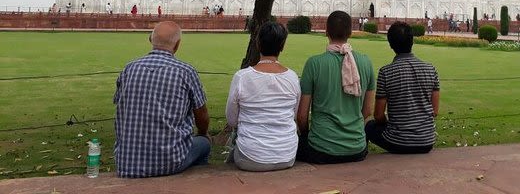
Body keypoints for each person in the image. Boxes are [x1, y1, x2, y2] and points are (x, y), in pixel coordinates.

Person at [113, 21, 210, 178]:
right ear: (177, 45)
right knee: (204, 143)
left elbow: (121, 106)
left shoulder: (129, 69)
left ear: (150, 40)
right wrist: (202, 133)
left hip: (126, 163)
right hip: (170, 162)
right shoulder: (185, 72)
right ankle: (193, 184)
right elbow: (202, 115)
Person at [296, 11, 375, 164]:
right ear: (351, 33)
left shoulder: (314, 64)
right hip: (357, 149)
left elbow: (302, 117)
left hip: (321, 149)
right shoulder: (366, 62)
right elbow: (367, 112)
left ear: (326, 31)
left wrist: (305, 135)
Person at [225, 22, 300, 171]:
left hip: (251, 157)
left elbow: (232, 120)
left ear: (258, 43)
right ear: (282, 46)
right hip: (287, 155)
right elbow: (293, 115)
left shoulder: (243, 77)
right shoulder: (292, 78)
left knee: (235, 141)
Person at [366, 22, 440, 154]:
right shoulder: (431, 69)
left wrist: (391, 124)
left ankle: (362, 156)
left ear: (390, 44)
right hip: (427, 141)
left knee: (369, 126)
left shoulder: (386, 72)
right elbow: (434, 111)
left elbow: (378, 115)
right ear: (412, 41)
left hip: (398, 142)